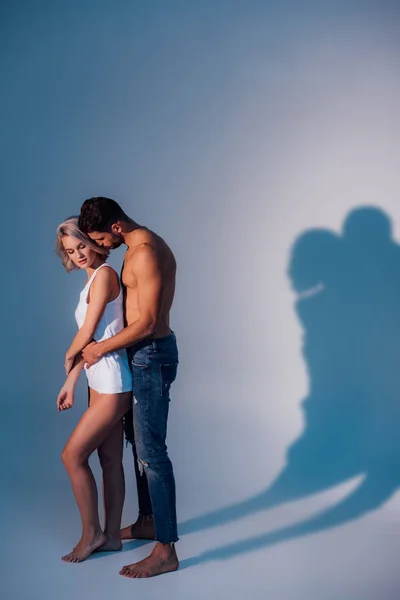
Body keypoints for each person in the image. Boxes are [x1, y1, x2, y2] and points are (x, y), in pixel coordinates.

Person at [78, 197, 179, 578]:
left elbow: (150, 321)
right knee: (138, 444)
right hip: (139, 354)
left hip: (150, 354)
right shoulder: (135, 248)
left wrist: (100, 347)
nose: (102, 247)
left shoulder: (145, 253)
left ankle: (166, 550)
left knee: (152, 451)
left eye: (102, 239)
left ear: (116, 227)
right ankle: (148, 521)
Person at [55, 217, 132, 563]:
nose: (79, 254)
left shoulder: (105, 275)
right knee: (109, 459)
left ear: (93, 240)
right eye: (71, 251)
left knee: (72, 456)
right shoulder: (89, 282)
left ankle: (92, 534)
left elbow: (88, 332)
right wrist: (73, 379)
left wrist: (68, 361)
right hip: (97, 378)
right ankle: (112, 537)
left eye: (82, 245)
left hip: (114, 380)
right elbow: (93, 339)